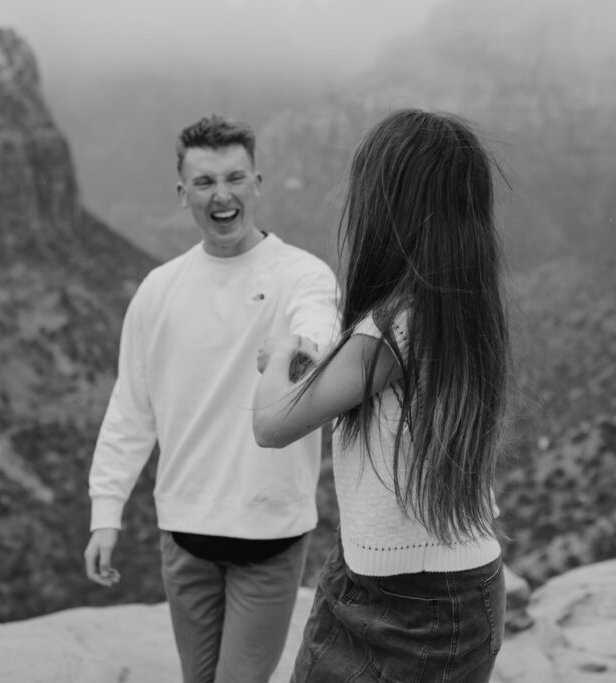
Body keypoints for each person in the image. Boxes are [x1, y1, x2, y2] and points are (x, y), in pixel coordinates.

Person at [253, 109, 509, 682]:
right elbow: (392, 397)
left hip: (410, 603)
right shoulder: (460, 308)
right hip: (444, 584)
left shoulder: (394, 324)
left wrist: (279, 354)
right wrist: (328, 370)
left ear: (392, 208)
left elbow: (271, 424)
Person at [84, 114, 339, 683]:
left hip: (269, 539)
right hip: (184, 538)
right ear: (183, 195)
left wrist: (297, 349)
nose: (221, 195)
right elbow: (132, 407)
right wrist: (107, 513)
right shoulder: (158, 290)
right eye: (204, 182)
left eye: (234, 178)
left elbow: (319, 327)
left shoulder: (302, 275)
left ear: (257, 183)